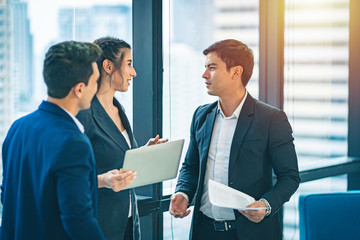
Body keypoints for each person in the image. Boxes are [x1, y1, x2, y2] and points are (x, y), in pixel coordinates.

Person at [169, 39, 300, 240]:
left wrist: (265, 205)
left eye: (212, 68)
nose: (204, 75)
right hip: (204, 230)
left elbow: (290, 177)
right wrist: (183, 193)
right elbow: (191, 165)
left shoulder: (271, 119)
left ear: (236, 72)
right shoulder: (201, 115)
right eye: (205, 68)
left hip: (249, 232)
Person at [0, 41, 105, 239]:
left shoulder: (18, 127)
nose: (97, 88)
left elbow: (8, 194)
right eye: (96, 81)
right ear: (80, 89)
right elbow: (78, 219)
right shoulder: (74, 142)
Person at [76, 36, 167, 240]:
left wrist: (143, 152)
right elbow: (70, 174)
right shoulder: (84, 113)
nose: (133, 72)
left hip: (126, 220)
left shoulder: (119, 108)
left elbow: (117, 155)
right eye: (129, 64)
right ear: (108, 66)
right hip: (98, 223)